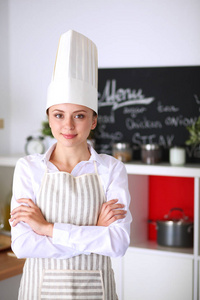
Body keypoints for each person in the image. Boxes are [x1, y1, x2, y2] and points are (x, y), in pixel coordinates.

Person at [10, 30, 132, 300]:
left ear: (93, 120)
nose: (68, 125)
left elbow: (118, 244)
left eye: (79, 115)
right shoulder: (29, 168)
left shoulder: (111, 169)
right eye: (59, 115)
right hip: (39, 291)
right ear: (49, 118)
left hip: (96, 293)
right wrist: (96, 234)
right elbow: (22, 244)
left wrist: (47, 229)